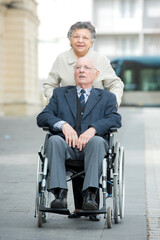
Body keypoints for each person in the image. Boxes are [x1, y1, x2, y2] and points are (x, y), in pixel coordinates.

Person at [43, 21, 124, 220]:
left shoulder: (100, 61)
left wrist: (111, 103)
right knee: (55, 141)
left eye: (85, 37)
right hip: (67, 121)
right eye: (76, 37)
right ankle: (61, 196)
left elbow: (115, 85)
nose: (80, 41)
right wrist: (57, 105)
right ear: (70, 39)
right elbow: (50, 86)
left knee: (94, 142)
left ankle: (89, 199)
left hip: (93, 119)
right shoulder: (62, 61)